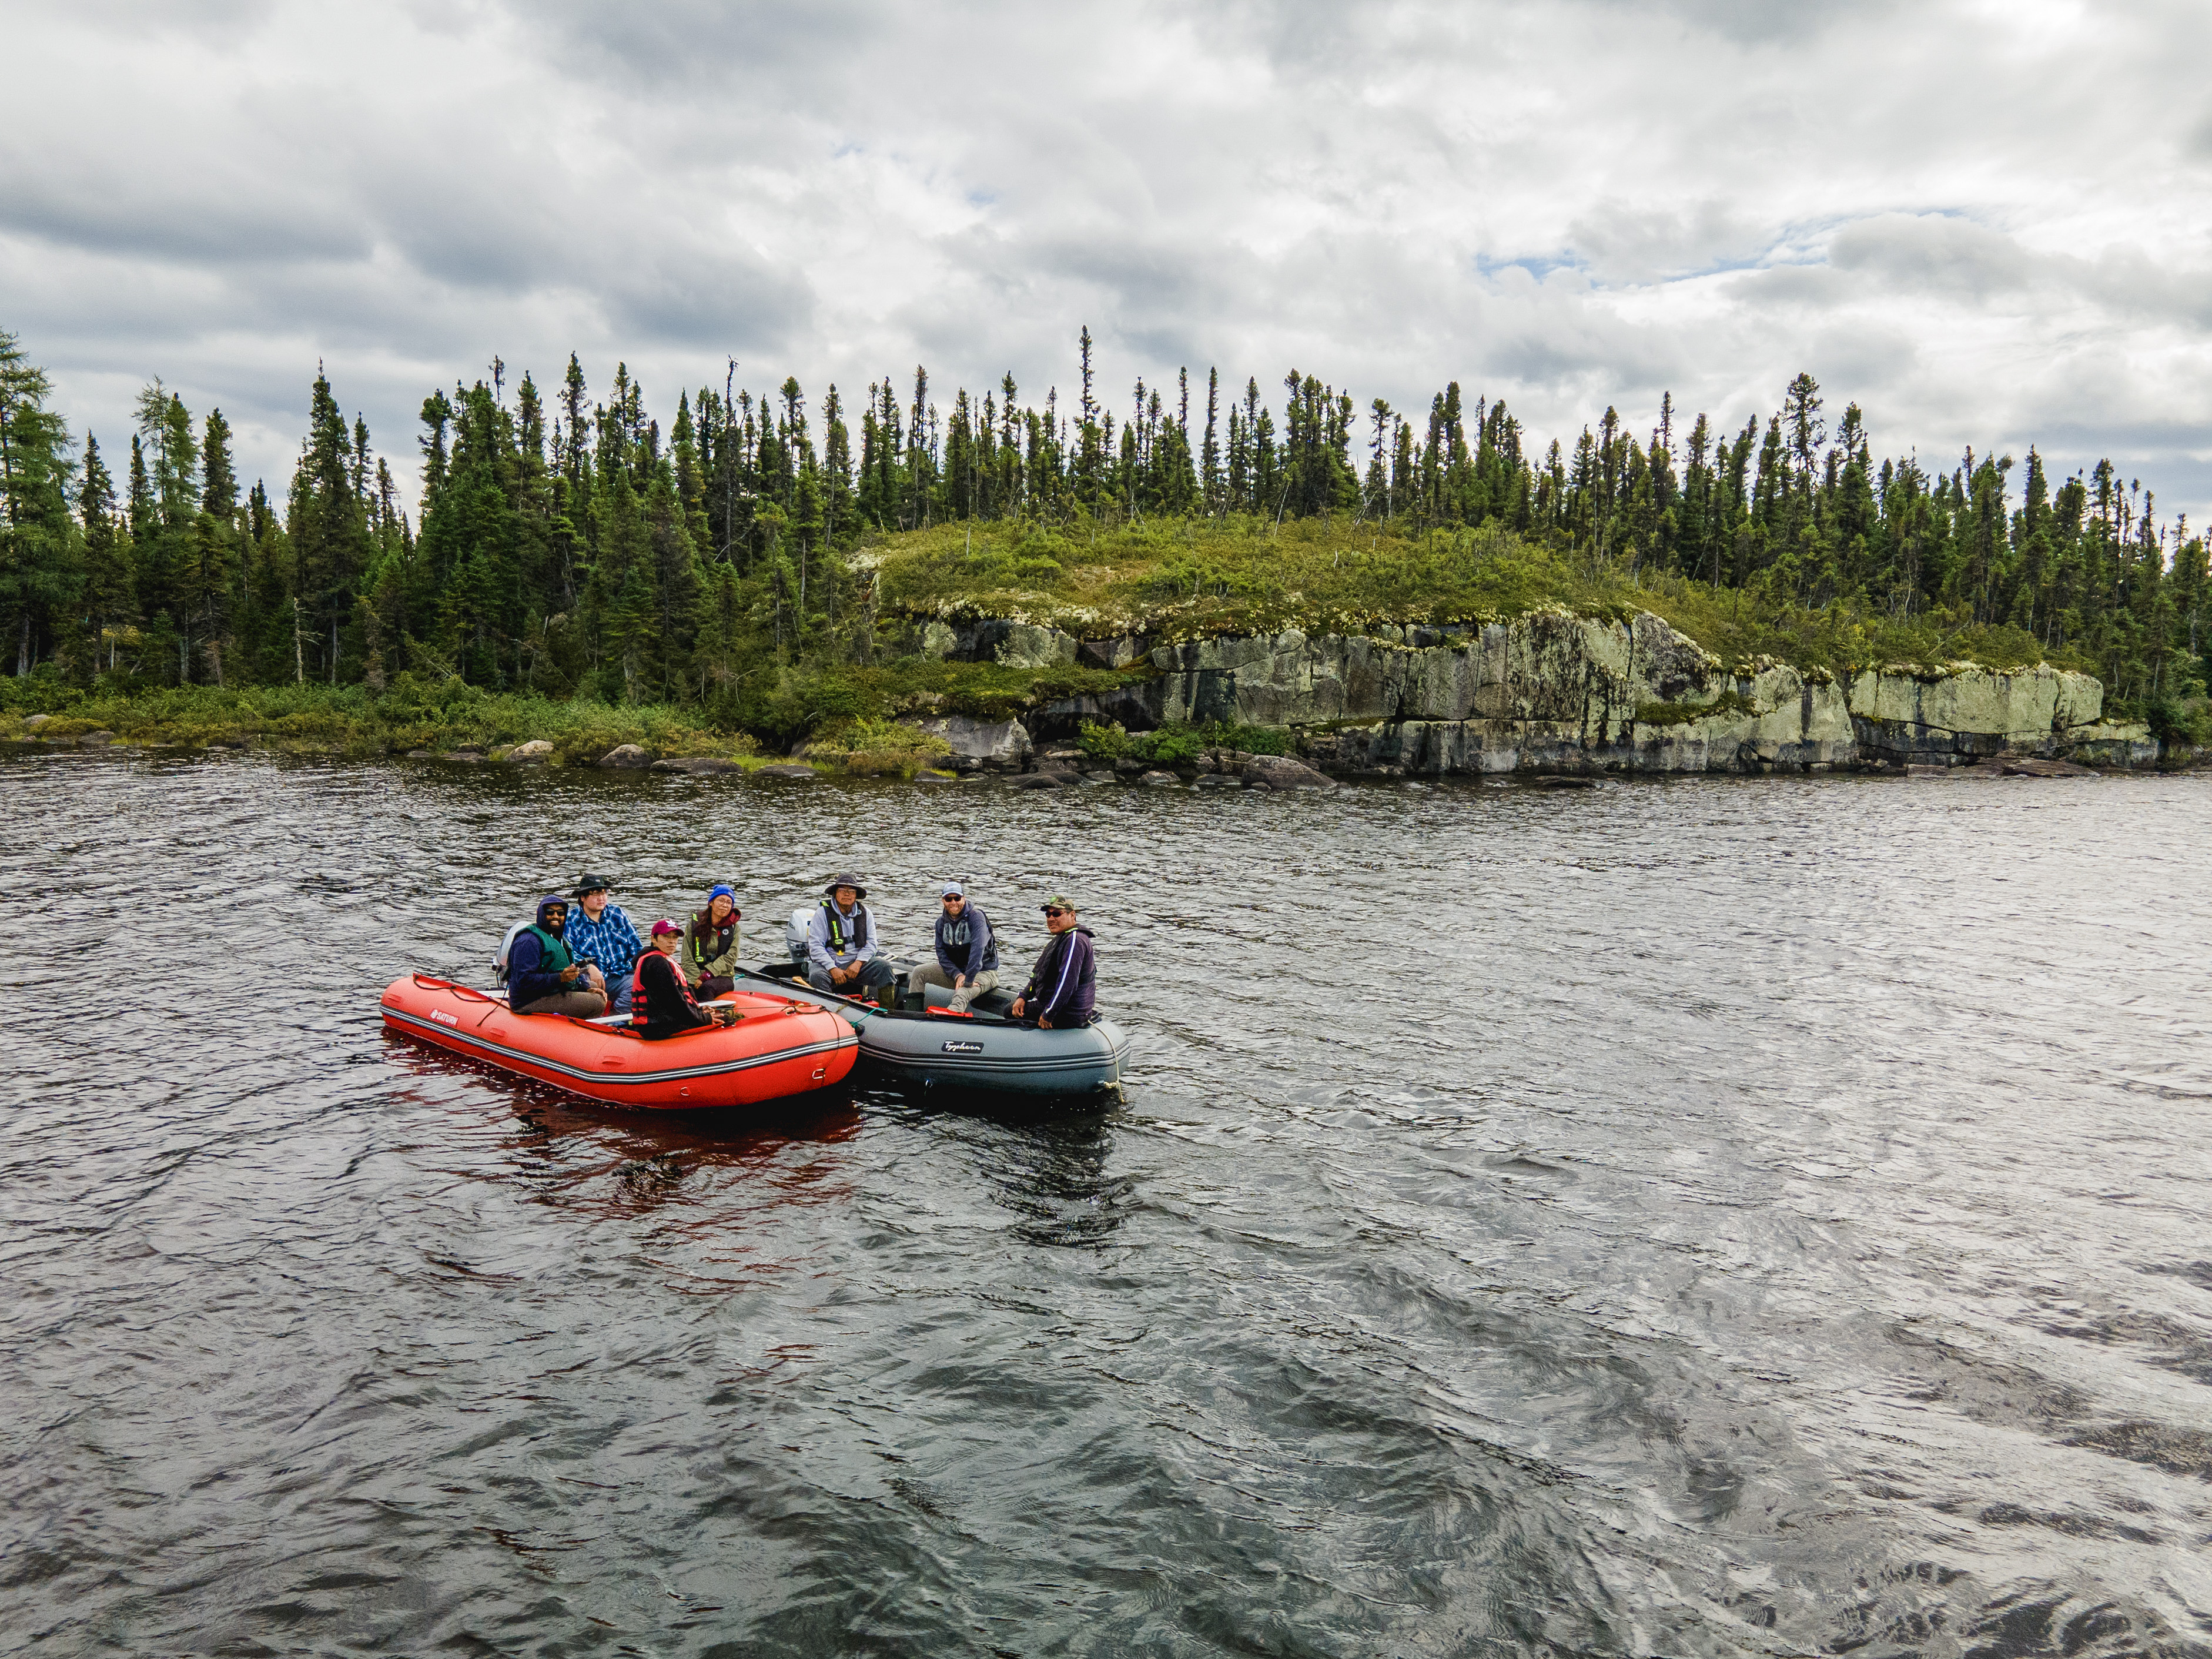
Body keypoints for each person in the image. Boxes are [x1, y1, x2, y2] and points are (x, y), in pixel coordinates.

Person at [631, 920, 738, 1039]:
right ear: (654, 939)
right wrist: (704, 1018)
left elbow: (676, 1000)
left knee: (713, 1015)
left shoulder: (656, 959)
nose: (672, 941)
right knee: (725, 1020)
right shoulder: (657, 962)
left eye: (675, 938)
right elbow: (675, 1002)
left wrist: (699, 1010)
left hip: (660, 1022)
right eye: (666, 937)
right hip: (658, 1027)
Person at [508, 895, 609, 1018]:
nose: (556, 916)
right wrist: (560, 978)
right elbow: (524, 981)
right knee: (597, 1003)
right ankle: (578, 1031)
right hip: (529, 1000)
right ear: (540, 914)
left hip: (548, 991)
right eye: (550, 912)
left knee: (592, 985)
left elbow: (566, 971)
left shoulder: (555, 937)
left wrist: (585, 988)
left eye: (560, 913)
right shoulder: (529, 941)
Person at [907, 881, 998, 1013]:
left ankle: (949, 1021)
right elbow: (942, 955)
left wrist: (968, 979)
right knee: (919, 972)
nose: (953, 902)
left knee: (962, 993)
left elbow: (978, 950)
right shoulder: (941, 923)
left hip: (984, 972)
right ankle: (911, 1014)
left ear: (964, 898)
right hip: (958, 972)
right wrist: (957, 975)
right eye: (949, 899)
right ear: (943, 901)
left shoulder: (976, 918)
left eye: (957, 898)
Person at [807, 873, 898, 1004]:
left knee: (885, 968)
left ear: (856, 895)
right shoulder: (822, 913)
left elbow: (872, 944)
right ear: (835, 893)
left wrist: (858, 963)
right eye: (842, 890)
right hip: (829, 962)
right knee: (817, 977)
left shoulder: (866, 914)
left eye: (851, 891)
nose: (847, 894)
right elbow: (816, 947)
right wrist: (832, 968)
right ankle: (829, 1011)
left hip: (856, 964)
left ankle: (888, 1012)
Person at [1010, 894, 1096, 1029]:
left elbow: (1067, 983)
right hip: (1056, 1006)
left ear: (1072, 915)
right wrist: (1024, 996)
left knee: (1008, 1012)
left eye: (1057, 914)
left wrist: (1049, 1014)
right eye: (1048, 915)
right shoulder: (1061, 939)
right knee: (1016, 1005)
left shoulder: (1075, 941)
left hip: (1068, 1012)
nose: (1051, 918)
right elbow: (1038, 975)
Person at [565, 874, 644, 1016]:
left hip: (621, 974)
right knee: (589, 993)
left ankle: (618, 1019)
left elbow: (636, 947)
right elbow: (568, 953)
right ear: (583, 897)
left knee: (640, 984)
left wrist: (641, 969)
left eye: (604, 892)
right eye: (595, 893)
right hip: (588, 977)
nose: (601, 898)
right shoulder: (571, 921)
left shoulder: (617, 914)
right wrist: (588, 967)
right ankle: (607, 1022)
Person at [684, 884, 742, 1001]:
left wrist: (708, 975)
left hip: (722, 976)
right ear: (711, 902)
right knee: (686, 990)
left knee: (706, 988)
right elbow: (687, 956)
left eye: (729, 902)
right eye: (721, 901)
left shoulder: (734, 928)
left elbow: (731, 957)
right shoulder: (694, 925)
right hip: (695, 974)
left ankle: (706, 1017)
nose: (725, 905)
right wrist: (696, 979)